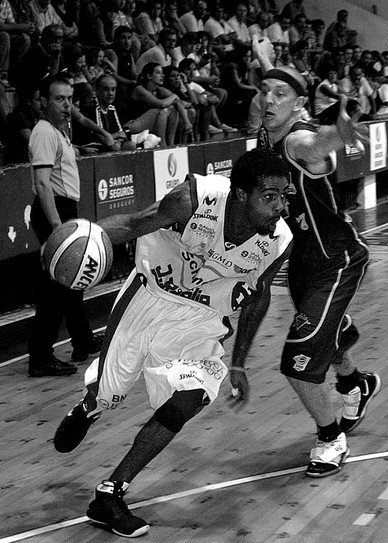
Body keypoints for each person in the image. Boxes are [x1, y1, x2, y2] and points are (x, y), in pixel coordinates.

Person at [52, 147, 293, 538]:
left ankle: (110, 492)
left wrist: (239, 362)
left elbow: (260, 293)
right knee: (111, 393)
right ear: (241, 194)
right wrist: (81, 238)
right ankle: (90, 405)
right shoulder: (191, 200)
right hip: (149, 298)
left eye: (285, 196)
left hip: (201, 321)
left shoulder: (279, 240)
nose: (280, 207)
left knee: (191, 396)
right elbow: (132, 224)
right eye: (270, 196)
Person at [253, 38, 380, 478]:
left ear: (299, 103)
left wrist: (339, 133)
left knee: (299, 358)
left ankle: (330, 438)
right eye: (263, 90)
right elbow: (278, 84)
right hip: (303, 259)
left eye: (279, 95)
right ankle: (354, 383)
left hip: (337, 258)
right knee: (326, 331)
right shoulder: (269, 126)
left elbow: (320, 141)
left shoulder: (299, 142)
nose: (268, 99)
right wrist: (266, 58)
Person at [27, 74, 102, 377]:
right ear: (44, 101)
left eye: (70, 99)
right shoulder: (44, 132)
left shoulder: (58, 131)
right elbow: (43, 185)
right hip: (53, 211)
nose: (67, 105)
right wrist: (59, 228)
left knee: (72, 283)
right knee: (55, 289)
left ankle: (82, 340)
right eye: (59, 98)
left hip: (63, 209)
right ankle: (40, 357)